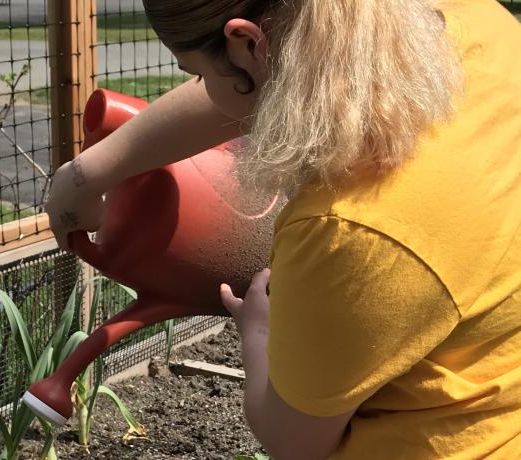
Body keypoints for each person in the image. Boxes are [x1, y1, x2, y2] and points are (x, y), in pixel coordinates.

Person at [44, 0, 521, 458]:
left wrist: (258, 332)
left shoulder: (350, 229)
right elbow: (260, 81)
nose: (203, 88)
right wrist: (87, 173)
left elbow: (294, 441)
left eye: (200, 74)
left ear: (249, 45)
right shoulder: (475, 23)